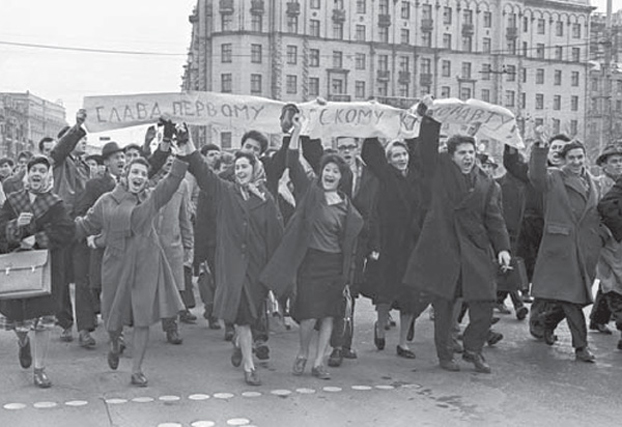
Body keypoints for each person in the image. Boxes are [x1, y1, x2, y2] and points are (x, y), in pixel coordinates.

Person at [403, 105, 511, 374]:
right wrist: (430, 119)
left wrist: (503, 249)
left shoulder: (486, 183)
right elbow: (426, 150)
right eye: (462, 153)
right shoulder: (439, 173)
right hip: (444, 247)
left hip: (475, 250)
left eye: (471, 153)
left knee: (485, 302)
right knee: (444, 305)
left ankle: (473, 349)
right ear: (450, 156)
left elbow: (494, 219)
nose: (467, 157)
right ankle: (445, 354)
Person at [75, 133, 189, 387]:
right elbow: (86, 225)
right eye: (134, 172)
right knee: (112, 318)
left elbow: (172, 181)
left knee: (142, 317)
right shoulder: (106, 200)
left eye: (143, 174)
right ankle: (115, 341)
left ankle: (137, 369)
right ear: (126, 175)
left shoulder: (151, 198)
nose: (139, 177)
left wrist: (182, 150)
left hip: (147, 263)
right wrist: (61, 230)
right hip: (115, 264)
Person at [261, 115, 363, 380]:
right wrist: (297, 130)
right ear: (321, 172)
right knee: (308, 315)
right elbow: (293, 157)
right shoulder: (310, 191)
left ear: (342, 177)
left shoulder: (345, 204)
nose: (330, 174)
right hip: (310, 262)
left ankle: (319, 362)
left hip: (334, 264)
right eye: (327, 170)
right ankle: (303, 353)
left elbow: (350, 240)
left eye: (335, 172)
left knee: (329, 314)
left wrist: (349, 272)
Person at [181, 130, 283, 387]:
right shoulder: (226, 191)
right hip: (232, 266)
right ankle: (249, 366)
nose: (240, 171)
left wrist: (273, 276)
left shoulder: (267, 199)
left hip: (257, 267)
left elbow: (275, 236)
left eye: (244, 166)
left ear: (255, 168)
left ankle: (240, 344)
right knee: (241, 315)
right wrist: (189, 146)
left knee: (251, 313)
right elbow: (204, 174)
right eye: (236, 167)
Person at [0, 155, 75, 388]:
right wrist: (16, 227)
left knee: (43, 321)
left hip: (46, 269)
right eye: (34, 170)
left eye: (42, 171)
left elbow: (66, 231)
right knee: (17, 321)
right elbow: (1, 231)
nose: (37, 174)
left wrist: (36, 239)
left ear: (47, 176)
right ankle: (23, 343)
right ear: (27, 174)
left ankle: (39, 369)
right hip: (17, 270)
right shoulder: (12, 201)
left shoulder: (56, 203)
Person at [529, 139, 601, 362]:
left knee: (573, 297)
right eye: (571, 158)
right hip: (561, 247)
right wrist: (539, 150)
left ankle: (546, 324)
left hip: (585, 248)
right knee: (572, 299)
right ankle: (581, 347)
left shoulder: (592, 181)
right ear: (563, 159)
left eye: (580, 157)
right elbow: (536, 177)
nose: (577, 162)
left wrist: (602, 237)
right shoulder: (554, 178)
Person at [361, 133, 423, 359]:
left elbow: (420, 149)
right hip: (388, 243)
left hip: (412, 245)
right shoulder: (386, 176)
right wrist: (373, 128)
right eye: (396, 155)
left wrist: (414, 127)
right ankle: (379, 326)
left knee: (411, 295)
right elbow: (370, 153)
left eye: (404, 154)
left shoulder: (417, 176)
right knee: (385, 291)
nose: (401, 159)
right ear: (388, 160)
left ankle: (403, 343)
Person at [503, 133, 572, 337]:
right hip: (533, 232)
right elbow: (512, 163)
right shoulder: (533, 171)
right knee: (536, 280)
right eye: (555, 147)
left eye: (563, 148)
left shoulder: (573, 175)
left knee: (560, 284)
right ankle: (537, 323)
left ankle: (545, 322)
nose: (558, 151)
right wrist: (511, 141)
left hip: (563, 235)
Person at [328, 136, 378, 367]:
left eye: (351, 146)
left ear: (358, 147)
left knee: (350, 294)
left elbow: (377, 211)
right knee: (336, 291)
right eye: (343, 147)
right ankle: (335, 344)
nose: (347, 151)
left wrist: (375, 245)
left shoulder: (371, 174)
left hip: (361, 243)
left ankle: (343, 344)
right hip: (334, 242)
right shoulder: (333, 174)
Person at [51, 110, 90, 343]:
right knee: (61, 277)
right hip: (61, 225)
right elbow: (60, 148)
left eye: (85, 139)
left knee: (83, 277)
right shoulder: (59, 161)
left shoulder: (85, 166)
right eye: (79, 139)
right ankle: (65, 323)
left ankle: (85, 328)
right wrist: (76, 128)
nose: (84, 141)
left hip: (82, 225)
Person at [152, 154, 194, 344]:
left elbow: (185, 216)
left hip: (172, 245)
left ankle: (171, 327)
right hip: (149, 245)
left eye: (174, 158)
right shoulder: (148, 180)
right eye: (166, 157)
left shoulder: (183, 185)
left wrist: (188, 244)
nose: (169, 161)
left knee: (173, 289)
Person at [589, 143, 622, 334]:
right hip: (605, 238)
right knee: (614, 280)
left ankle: (597, 319)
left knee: (609, 278)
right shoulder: (600, 183)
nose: (619, 165)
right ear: (604, 165)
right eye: (614, 161)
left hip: (615, 240)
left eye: (621, 161)